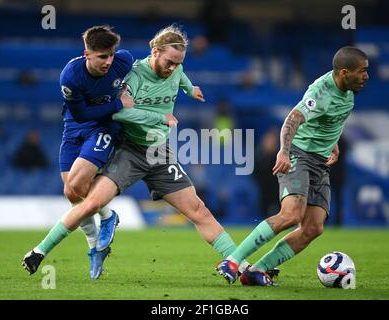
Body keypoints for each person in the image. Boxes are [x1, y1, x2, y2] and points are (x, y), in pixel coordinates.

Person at [22, 25, 252, 278]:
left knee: (199, 210)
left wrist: (190, 88)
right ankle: (40, 251)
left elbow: (182, 76)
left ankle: (240, 265)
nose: (173, 68)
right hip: (129, 150)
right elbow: (119, 111)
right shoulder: (131, 75)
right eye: (169, 62)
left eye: (178, 63)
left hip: (159, 153)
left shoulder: (177, 70)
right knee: (92, 202)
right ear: (155, 52)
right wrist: (158, 117)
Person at [216, 46, 369, 286]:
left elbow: (331, 119)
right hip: (299, 155)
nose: (366, 76)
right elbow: (293, 119)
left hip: (320, 161)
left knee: (314, 227)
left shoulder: (348, 92)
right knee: (291, 215)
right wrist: (285, 152)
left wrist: (333, 142)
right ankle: (232, 261)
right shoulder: (321, 91)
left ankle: (257, 271)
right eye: (362, 71)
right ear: (344, 72)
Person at [55, 25, 173, 280]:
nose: (109, 61)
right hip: (75, 128)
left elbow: (149, 73)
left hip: (104, 127)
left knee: (78, 182)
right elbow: (81, 114)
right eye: (102, 57)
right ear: (87, 54)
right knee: (71, 192)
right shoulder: (71, 77)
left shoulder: (124, 61)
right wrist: (118, 103)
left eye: (111, 55)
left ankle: (105, 221)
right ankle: (99, 238)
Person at [253, 127, 281, 217]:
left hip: (278, 190)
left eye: (272, 141)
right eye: (268, 140)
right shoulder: (259, 157)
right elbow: (255, 174)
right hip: (263, 191)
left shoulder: (279, 157)